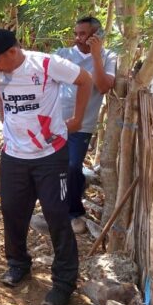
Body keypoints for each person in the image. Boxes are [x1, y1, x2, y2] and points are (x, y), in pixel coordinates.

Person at [0, 29, 91, 305]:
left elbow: (85, 80)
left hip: (50, 154)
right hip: (14, 155)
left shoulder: (47, 64)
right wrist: (4, 118)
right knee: (12, 212)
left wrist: (76, 119)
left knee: (56, 214)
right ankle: (18, 264)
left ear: (12, 53)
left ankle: (64, 282)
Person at [54, 17, 117, 234]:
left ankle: (74, 212)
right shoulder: (62, 54)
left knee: (72, 166)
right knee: (56, 167)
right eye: (76, 33)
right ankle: (58, 207)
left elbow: (103, 86)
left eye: (83, 34)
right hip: (56, 123)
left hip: (82, 124)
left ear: (96, 36)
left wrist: (96, 55)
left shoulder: (108, 57)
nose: (77, 38)